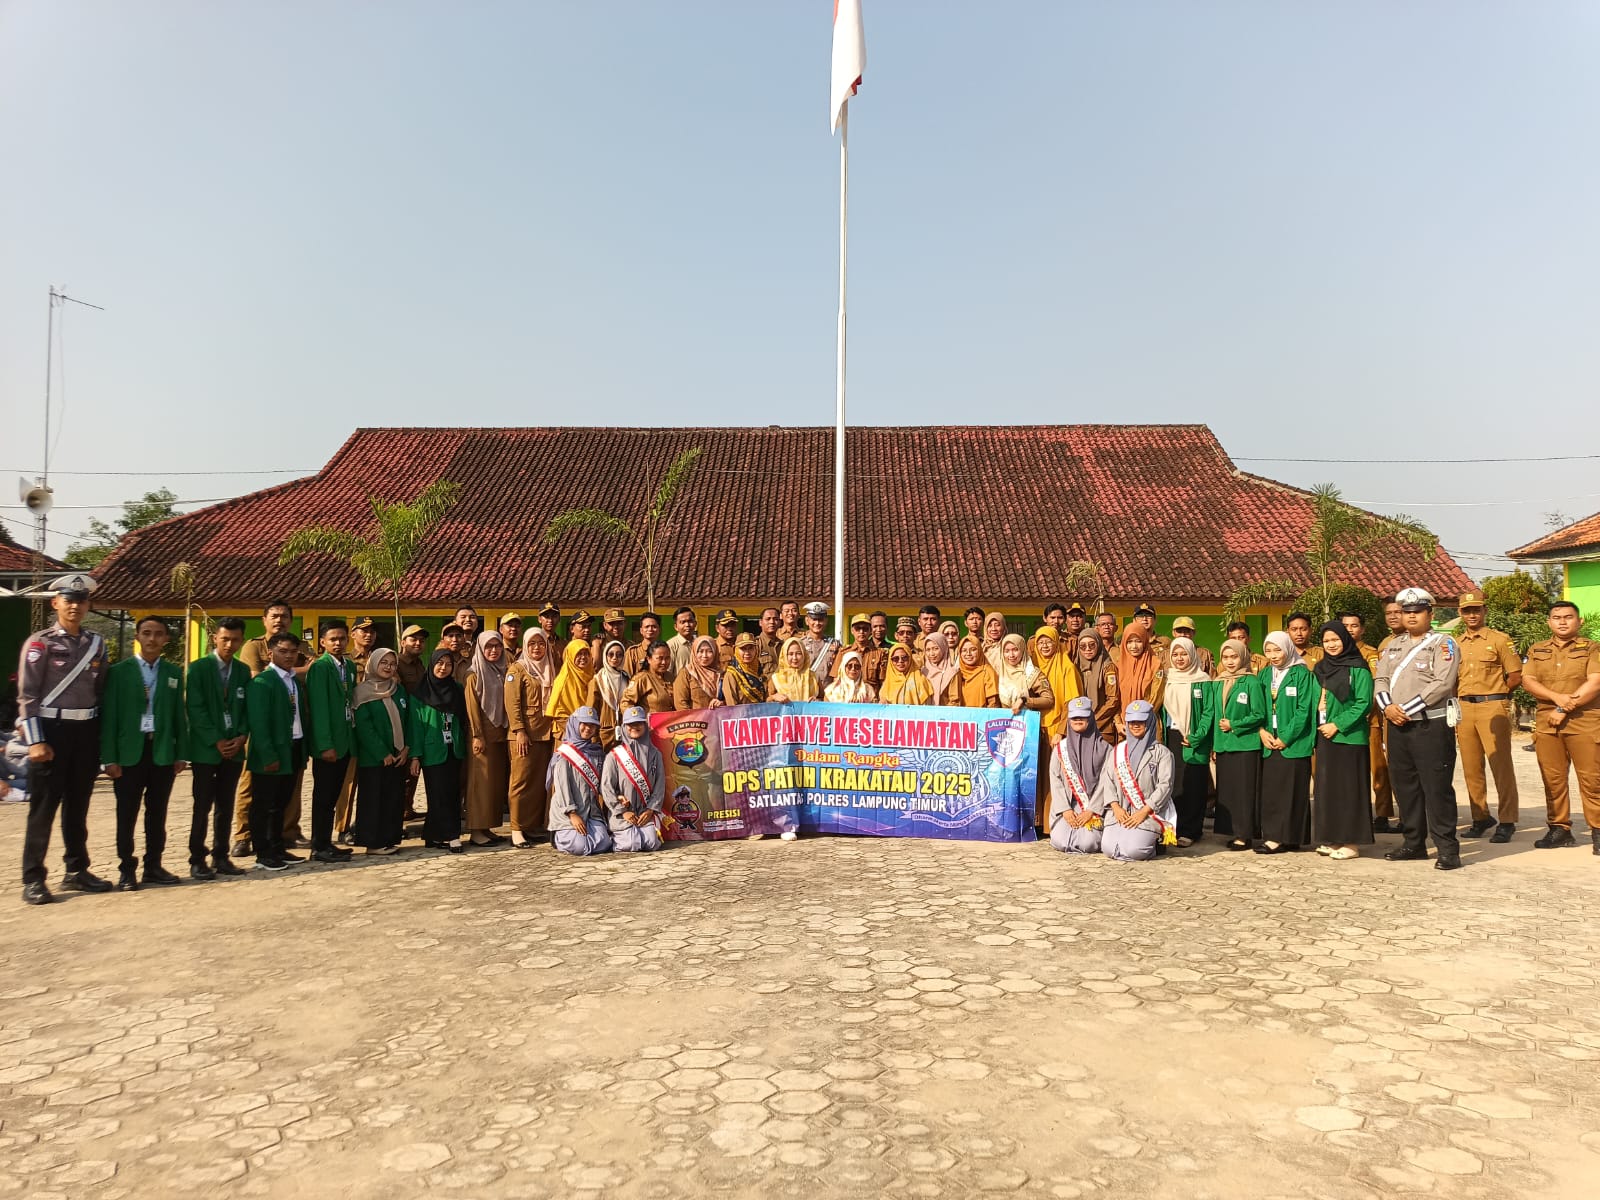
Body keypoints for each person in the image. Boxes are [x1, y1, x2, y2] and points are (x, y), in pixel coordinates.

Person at [1373, 588, 1461, 869]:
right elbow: (1381, 678)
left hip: (1429, 724)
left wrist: (1405, 710)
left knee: (1436, 788)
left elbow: (1443, 683)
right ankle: (1414, 843)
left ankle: (1447, 849)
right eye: (1407, 612)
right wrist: (1388, 707)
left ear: (1430, 614)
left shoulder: (1443, 644)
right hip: (1397, 726)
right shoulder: (1393, 645)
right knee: (1405, 786)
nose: (1411, 617)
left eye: (1418, 612)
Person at [100, 615, 188, 890]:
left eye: (158, 633)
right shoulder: (119, 672)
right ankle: (127, 869)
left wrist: (181, 753)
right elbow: (109, 718)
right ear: (137, 636)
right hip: (129, 755)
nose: (152, 639)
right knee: (127, 814)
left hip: (161, 752)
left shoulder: (173, 673)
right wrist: (109, 758)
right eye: (146, 633)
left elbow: (179, 716)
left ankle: (154, 865)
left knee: (157, 813)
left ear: (166, 639)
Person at [232, 598, 313, 857]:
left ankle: (285, 834)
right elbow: (257, 677)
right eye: (274, 616)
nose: (279, 620)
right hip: (265, 731)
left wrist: (298, 670)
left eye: (284, 616)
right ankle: (245, 835)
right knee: (254, 787)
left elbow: (310, 674)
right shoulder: (254, 646)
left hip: (292, 730)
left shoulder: (300, 647)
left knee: (289, 787)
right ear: (264, 620)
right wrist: (303, 668)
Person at [1520, 600, 1600, 854]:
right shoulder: (1537, 649)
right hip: (1548, 724)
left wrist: (1564, 708)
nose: (1562, 622)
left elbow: (1596, 682)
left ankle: (1598, 830)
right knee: (1553, 779)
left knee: (1592, 780)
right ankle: (1559, 829)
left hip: (1584, 722)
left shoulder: (1592, 648)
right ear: (1549, 622)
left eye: (1568, 617)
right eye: (1557, 617)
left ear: (1579, 621)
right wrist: (1557, 699)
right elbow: (1528, 680)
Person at [1452, 589, 1522, 842]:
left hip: (1492, 706)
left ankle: (1507, 820)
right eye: (1467, 611)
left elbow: (1515, 675)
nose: (1472, 615)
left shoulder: (1500, 640)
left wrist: (1499, 695)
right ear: (1460, 613)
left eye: (1476, 610)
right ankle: (1480, 817)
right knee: (1471, 767)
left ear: (1485, 611)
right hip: (1464, 707)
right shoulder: (1455, 643)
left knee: (1500, 765)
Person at [185, 616, 249, 880]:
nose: (229, 644)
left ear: (241, 640)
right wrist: (216, 740)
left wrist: (242, 736)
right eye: (225, 639)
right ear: (215, 638)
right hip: (206, 750)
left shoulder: (243, 670)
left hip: (234, 749)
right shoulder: (198, 669)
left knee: (226, 804)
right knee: (202, 805)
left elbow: (247, 708)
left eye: (235, 640)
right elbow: (195, 708)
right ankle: (197, 858)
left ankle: (221, 855)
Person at [245, 632, 310, 872]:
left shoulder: (293, 680)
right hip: (271, 752)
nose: (289, 656)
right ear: (270, 653)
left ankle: (278, 847)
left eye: (293, 652)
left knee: (281, 802)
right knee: (264, 804)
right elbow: (259, 723)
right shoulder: (263, 682)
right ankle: (263, 852)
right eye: (283, 651)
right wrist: (268, 754)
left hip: (293, 747)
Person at [1311, 622, 1375, 861]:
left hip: (1349, 737)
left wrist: (1337, 724)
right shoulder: (1320, 668)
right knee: (1329, 789)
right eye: (1326, 641)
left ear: (1345, 640)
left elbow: (1364, 703)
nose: (1331, 644)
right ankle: (1333, 838)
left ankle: (1351, 842)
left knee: (1350, 790)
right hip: (1324, 735)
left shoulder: (1358, 668)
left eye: (1335, 639)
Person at [1093, 700, 1176, 862]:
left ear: (1149, 722)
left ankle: (1155, 844)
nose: (1135, 725)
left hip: (1148, 813)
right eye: (1132, 721)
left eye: (1141, 721)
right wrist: (1115, 807)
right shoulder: (1117, 751)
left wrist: (1144, 811)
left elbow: (1165, 786)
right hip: (1120, 812)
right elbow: (1107, 781)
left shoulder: (1163, 753)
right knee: (1109, 849)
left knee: (1135, 851)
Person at [1257, 631, 1314, 854]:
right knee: (1273, 792)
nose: (1273, 655)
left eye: (1277, 650)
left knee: (1295, 791)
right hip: (1269, 741)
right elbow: (1258, 706)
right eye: (1268, 650)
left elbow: (1304, 709)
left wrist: (1286, 737)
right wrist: (1261, 731)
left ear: (1288, 649)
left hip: (1293, 743)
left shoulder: (1302, 674)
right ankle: (1274, 837)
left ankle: (1292, 837)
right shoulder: (1264, 674)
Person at [1340, 611, 1397, 834]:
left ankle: (1382, 814)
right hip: (1343, 723)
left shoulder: (1371, 654)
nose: (1349, 630)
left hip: (1369, 720)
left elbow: (1375, 686)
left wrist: (1361, 711)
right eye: (1345, 626)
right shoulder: (1335, 653)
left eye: (1354, 625)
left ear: (1362, 629)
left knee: (1378, 770)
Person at [305, 620, 356, 864]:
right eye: (332, 639)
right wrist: (325, 744)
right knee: (323, 797)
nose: (338, 643)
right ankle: (319, 846)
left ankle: (327, 843)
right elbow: (319, 709)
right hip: (329, 745)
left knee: (334, 795)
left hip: (345, 740)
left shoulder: (349, 666)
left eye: (342, 638)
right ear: (322, 642)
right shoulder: (320, 667)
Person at [352, 648, 409, 855]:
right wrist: (381, 753)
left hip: (398, 755)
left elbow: (407, 720)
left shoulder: (398, 690)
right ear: (373, 664)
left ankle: (389, 838)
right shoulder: (361, 692)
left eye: (392, 664)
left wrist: (406, 749)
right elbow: (364, 727)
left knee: (393, 798)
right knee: (373, 800)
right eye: (383, 662)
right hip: (374, 759)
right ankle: (373, 843)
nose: (388, 667)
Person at [409, 649, 466, 853]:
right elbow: (415, 727)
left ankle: (433, 835)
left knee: (452, 793)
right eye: (439, 663)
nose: (443, 668)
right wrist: (415, 756)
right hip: (432, 750)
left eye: (448, 664)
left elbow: (464, 719)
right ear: (432, 664)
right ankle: (452, 836)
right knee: (437, 794)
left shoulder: (457, 689)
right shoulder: (420, 693)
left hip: (454, 749)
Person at [1212, 638, 1266, 850]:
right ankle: (1232, 831)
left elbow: (1259, 714)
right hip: (1224, 744)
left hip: (1245, 744)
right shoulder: (1218, 682)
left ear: (1243, 657)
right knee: (1228, 791)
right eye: (1225, 657)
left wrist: (1235, 724)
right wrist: (1214, 744)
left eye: (1234, 657)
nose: (1230, 661)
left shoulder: (1252, 682)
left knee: (1244, 792)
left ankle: (1244, 835)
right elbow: (1214, 714)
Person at [998, 633, 1054, 830]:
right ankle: (1006, 821)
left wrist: (1025, 700)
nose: (1011, 655)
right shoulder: (998, 671)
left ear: (1022, 650)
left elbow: (1048, 699)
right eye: (1007, 650)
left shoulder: (1032, 673)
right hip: (1003, 734)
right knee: (1006, 777)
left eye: (1015, 650)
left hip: (1027, 732)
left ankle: (1030, 822)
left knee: (1026, 776)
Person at [506, 628, 556, 848]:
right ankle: (517, 829)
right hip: (524, 735)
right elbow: (512, 703)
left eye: (541, 643)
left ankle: (532, 826)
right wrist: (519, 731)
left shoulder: (550, 668)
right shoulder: (517, 669)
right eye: (532, 643)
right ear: (525, 646)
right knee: (521, 782)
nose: (537, 648)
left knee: (538, 783)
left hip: (545, 733)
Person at [1161, 636, 1212, 848]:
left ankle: (1191, 830)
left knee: (1194, 784)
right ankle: (1173, 828)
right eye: (1175, 654)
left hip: (1193, 737)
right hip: (1172, 736)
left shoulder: (1202, 679)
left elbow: (1209, 711)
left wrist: (1197, 735)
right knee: (1175, 784)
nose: (1179, 658)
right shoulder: (1167, 679)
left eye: (1184, 654)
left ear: (1192, 655)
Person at [465, 630, 510, 846]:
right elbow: (472, 707)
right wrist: (477, 735)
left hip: (499, 734)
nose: (494, 650)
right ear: (481, 649)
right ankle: (476, 831)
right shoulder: (473, 674)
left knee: (493, 785)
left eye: (497, 646)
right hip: (482, 736)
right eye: (489, 647)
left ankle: (487, 827)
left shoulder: (501, 670)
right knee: (480, 783)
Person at [1048, 697, 1109, 854]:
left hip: (1094, 806)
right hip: (1068, 805)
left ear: (1090, 718)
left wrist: (1091, 810)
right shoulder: (1060, 749)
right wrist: (1065, 810)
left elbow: (1106, 783)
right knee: (1061, 841)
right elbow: (1055, 780)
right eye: (1074, 717)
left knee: (1087, 843)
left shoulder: (1106, 749)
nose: (1078, 720)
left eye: (1082, 716)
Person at [548, 708, 612, 855]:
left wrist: (616, 796)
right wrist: (572, 814)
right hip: (568, 814)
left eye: (592, 725)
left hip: (591, 812)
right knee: (581, 847)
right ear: (574, 723)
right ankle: (557, 837)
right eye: (584, 724)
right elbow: (562, 788)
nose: (588, 728)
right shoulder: (564, 754)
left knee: (604, 843)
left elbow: (602, 784)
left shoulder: (596, 752)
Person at [603, 707, 665, 852]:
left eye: (638, 723)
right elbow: (607, 788)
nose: (634, 727)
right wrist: (622, 811)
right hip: (622, 814)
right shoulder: (614, 755)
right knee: (631, 844)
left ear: (645, 725)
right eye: (630, 724)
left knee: (651, 844)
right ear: (624, 727)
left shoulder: (655, 754)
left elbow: (660, 784)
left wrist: (650, 810)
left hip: (645, 813)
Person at [1114, 625, 1162, 735]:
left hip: (1147, 724)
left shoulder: (1155, 665)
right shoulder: (1118, 665)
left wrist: (1140, 720)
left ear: (1145, 641)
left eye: (1138, 641)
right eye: (1129, 642)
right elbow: (1114, 697)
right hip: (1123, 726)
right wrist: (1118, 722)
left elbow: (1156, 697)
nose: (1134, 646)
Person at [587, 640, 631, 746]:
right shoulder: (598, 680)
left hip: (624, 732)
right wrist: (593, 736)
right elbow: (591, 709)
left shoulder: (627, 678)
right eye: (611, 654)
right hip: (603, 734)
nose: (614, 658)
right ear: (605, 656)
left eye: (619, 655)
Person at [546, 639, 595, 731]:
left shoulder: (592, 675)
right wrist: (578, 731)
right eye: (579, 654)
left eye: (586, 654)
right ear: (571, 656)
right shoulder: (563, 680)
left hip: (589, 730)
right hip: (568, 732)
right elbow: (559, 714)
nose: (583, 657)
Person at [622, 642, 676, 713]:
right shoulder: (641, 679)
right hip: (649, 719)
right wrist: (637, 718)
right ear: (649, 659)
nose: (664, 662)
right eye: (660, 658)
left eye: (667, 658)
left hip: (672, 719)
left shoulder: (671, 678)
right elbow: (626, 703)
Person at [947, 636, 1000, 708]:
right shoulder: (957, 674)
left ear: (980, 651)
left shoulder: (987, 672)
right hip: (960, 715)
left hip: (981, 714)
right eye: (964, 650)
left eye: (973, 650)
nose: (968, 654)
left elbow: (993, 704)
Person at [674, 635, 724, 709]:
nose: (705, 655)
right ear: (694, 652)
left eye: (709, 651)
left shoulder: (721, 674)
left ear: (715, 652)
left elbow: (730, 698)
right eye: (700, 651)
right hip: (694, 716)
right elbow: (680, 703)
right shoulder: (687, 673)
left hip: (720, 715)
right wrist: (693, 716)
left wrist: (722, 703)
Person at [768, 637, 821, 703]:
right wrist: (774, 697)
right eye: (790, 654)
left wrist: (817, 700)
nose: (794, 658)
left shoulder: (814, 677)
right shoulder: (776, 678)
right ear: (784, 655)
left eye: (799, 653)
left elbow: (823, 698)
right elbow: (766, 701)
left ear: (804, 654)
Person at [722, 633, 769, 705]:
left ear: (756, 650)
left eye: (751, 648)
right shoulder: (731, 675)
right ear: (735, 650)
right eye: (743, 648)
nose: (747, 652)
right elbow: (732, 707)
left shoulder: (760, 671)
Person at [802, 602, 842, 683]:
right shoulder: (800, 644)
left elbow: (839, 671)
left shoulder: (835, 644)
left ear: (826, 621)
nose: (817, 623)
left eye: (820, 620)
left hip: (828, 689)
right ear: (807, 620)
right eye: (814, 619)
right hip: (806, 688)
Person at [846, 614, 886, 690]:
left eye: (865, 629)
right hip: (849, 695)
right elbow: (837, 679)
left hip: (871, 696)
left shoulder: (880, 654)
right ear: (852, 631)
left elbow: (883, 682)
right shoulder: (844, 653)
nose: (861, 632)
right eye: (858, 628)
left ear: (870, 631)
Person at [920, 633, 959, 707]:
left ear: (943, 648)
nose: (932, 653)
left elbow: (955, 701)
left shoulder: (952, 673)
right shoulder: (923, 672)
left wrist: (939, 713)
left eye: (935, 648)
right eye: (928, 650)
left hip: (945, 713)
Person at [667, 607, 697, 675]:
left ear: (695, 624)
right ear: (676, 627)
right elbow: (667, 672)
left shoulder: (699, 643)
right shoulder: (671, 645)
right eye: (683, 622)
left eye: (690, 621)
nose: (687, 625)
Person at [755, 608, 784, 676]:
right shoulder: (755, 645)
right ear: (760, 622)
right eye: (768, 619)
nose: (772, 622)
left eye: (776, 619)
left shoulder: (783, 645)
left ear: (780, 623)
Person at [348, 617, 378, 682]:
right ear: (353, 635)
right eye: (364, 631)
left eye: (372, 632)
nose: (369, 635)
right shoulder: (345, 660)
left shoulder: (379, 659)